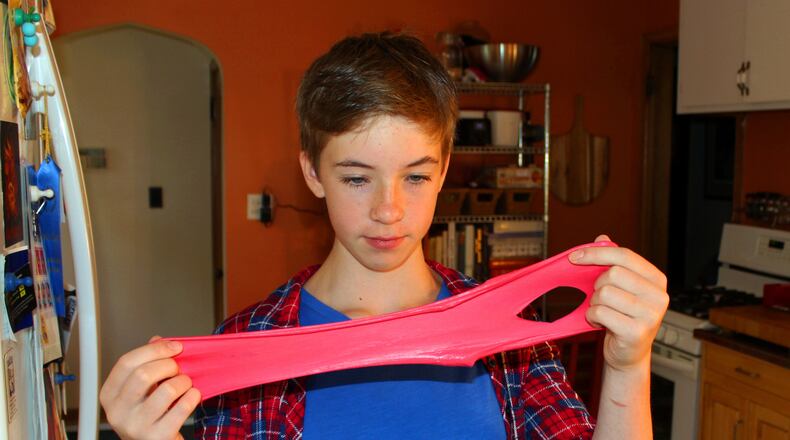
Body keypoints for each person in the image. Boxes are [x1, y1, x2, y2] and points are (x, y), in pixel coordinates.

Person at [99, 32, 668, 439]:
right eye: (356, 178)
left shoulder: (508, 335)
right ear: (312, 173)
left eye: (415, 176)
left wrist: (628, 363)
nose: (389, 211)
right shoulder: (253, 343)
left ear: (444, 171)